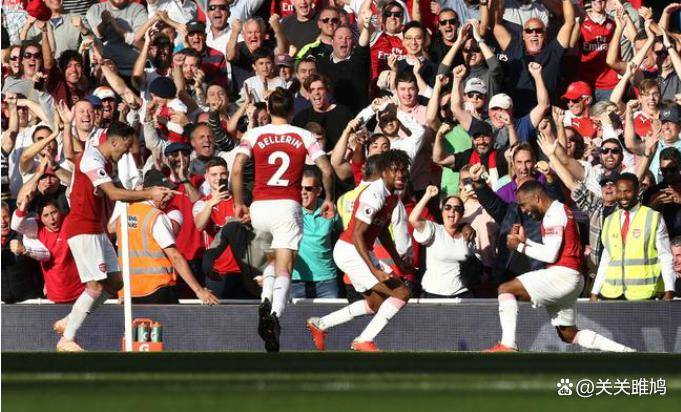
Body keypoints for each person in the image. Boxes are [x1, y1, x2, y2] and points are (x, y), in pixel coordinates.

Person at [54, 122, 175, 351]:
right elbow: (113, 194)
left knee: (116, 282)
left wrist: (150, 192)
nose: (126, 153)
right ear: (113, 141)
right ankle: (67, 339)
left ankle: (71, 319)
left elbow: (122, 192)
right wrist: (149, 193)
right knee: (95, 287)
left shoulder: (107, 164)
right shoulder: (92, 159)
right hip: (82, 228)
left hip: (96, 229)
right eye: (125, 148)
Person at [231, 87, 335, 352]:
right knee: (284, 267)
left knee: (271, 261)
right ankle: (275, 315)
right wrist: (329, 198)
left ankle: (265, 301)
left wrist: (238, 202)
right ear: (292, 111)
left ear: (268, 109)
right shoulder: (303, 135)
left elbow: (237, 167)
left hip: (260, 207)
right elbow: (325, 168)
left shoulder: (254, 134)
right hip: (287, 206)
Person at [486, 180, 635, 352]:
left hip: (563, 275)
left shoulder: (553, 214)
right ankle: (626, 352)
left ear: (537, 198)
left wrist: (519, 247)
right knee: (569, 335)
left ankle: (508, 345)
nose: (524, 210)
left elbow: (550, 255)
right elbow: (553, 250)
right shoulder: (559, 210)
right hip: (572, 277)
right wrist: (525, 241)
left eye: (523, 205)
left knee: (506, 289)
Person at [307, 150, 414, 352]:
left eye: (403, 170)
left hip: (357, 250)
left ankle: (320, 323)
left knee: (375, 304)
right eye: (395, 170)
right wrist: (374, 270)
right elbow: (357, 234)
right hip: (350, 250)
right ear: (383, 172)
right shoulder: (375, 194)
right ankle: (364, 340)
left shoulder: (392, 196)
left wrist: (398, 261)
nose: (400, 175)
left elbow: (382, 231)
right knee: (402, 292)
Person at [108, 169, 219, 304]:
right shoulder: (156, 217)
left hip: (130, 292)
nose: (168, 196)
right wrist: (199, 291)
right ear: (150, 191)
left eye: (169, 192)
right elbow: (175, 257)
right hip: (157, 289)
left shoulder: (124, 216)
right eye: (164, 192)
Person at [592, 173, 676, 301]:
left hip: (646, 293)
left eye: (627, 191)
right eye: (619, 192)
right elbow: (606, 259)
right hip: (613, 293)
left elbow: (665, 256)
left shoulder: (653, 217)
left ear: (637, 191)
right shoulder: (609, 220)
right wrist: (595, 291)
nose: (623, 196)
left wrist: (669, 289)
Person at [409, 186, 478, 298]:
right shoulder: (433, 229)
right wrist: (427, 195)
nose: (452, 211)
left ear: (462, 214)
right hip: (433, 295)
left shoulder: (467, 234)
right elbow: (413, 219)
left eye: (457, 208)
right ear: (442, 212)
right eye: (448, 207)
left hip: (462, 294)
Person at [291, 167, 342, 298]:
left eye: (308, 188)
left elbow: (343, 235)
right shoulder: (291, 211)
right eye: (300, 188)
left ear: (318, 191)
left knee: (331, 312)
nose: (303, 192)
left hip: (326, 280)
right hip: (296, 280)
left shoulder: (330, 210)